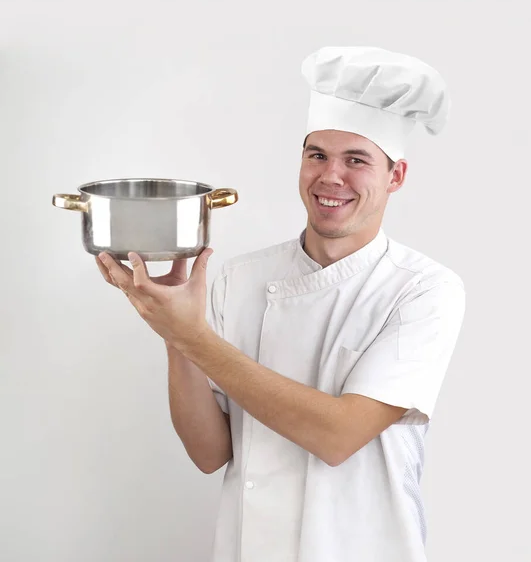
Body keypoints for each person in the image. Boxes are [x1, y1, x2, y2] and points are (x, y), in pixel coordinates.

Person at [96, 46, 466, 562]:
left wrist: (191, 335)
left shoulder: (423, 289)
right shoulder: (241, 278)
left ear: (395, 176)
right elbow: (210, 454)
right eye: (316, 155)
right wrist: (172, 333)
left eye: (356, 160)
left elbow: (338, 435)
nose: (330, 176)